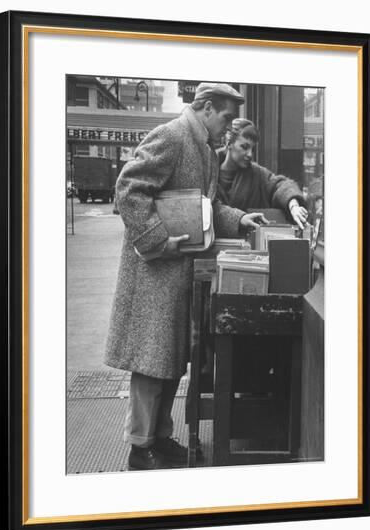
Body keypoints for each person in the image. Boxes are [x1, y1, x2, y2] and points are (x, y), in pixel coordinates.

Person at [104, 83, 259, 471]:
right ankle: (140, 448)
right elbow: (128, 189)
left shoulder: (204, 147)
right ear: (205, 109)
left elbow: (211, 206)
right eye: (224, 117)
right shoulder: (173, 136)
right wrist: (158, 240)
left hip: (175, 273)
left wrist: (240, 218)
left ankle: (158, 437)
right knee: (150, 362)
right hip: (154, 272)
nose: (227, 127)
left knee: (170, 361)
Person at [215, 118, 308, 233]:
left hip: (248, 246)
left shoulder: (257, 174)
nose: (249, 154)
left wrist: (294, 206)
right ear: (229, 143)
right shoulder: (208, 172)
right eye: (244, 147)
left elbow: (280, 185)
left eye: (252, 149)